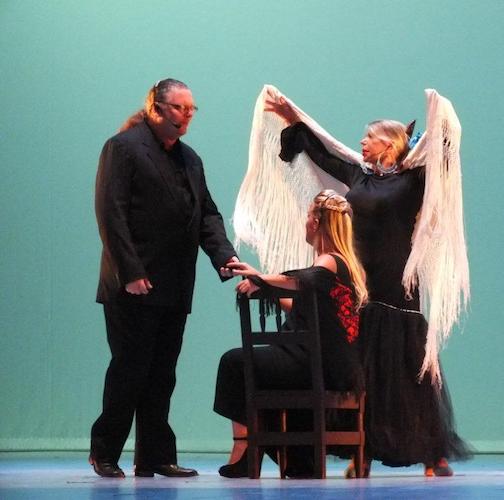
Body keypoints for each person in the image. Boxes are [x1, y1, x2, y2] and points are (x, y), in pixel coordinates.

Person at [262, 89, 471, 476]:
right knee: (366, 370)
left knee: (407, 371)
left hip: (396, 286)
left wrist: (438, 115)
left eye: (368, 137)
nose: (361, 142)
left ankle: (433, 453)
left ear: (388, 143)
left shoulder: (414, 180)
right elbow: (323, 153)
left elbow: (443, 152)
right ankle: (364, 453)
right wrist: (294, 118)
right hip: (362, 283)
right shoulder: (359, 174)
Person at [90, 78, 239, 478]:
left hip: (174, 284)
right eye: (179, 108)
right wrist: (131, 272)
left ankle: (154, 455)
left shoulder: (189, 158)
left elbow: (206, 213)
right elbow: (111, 214)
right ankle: (105, 451)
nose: (186, 116)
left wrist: (225, 257)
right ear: (156, 109)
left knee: (162, 374)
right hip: (133, 284)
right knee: (130, 369)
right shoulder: (123, 148)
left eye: (191, 109)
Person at [214, 190, 368, 478]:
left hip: (315, 361)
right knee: (264, 374)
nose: (305, 221)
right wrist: (262, 278)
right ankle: (295, 459)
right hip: (327, 361)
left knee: (235, 363)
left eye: (308, 215)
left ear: (316, 223)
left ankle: (245, 449)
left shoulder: (330, 261)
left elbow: (304, 279)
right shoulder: (342, 262)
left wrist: (261, 278)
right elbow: (300, 303)